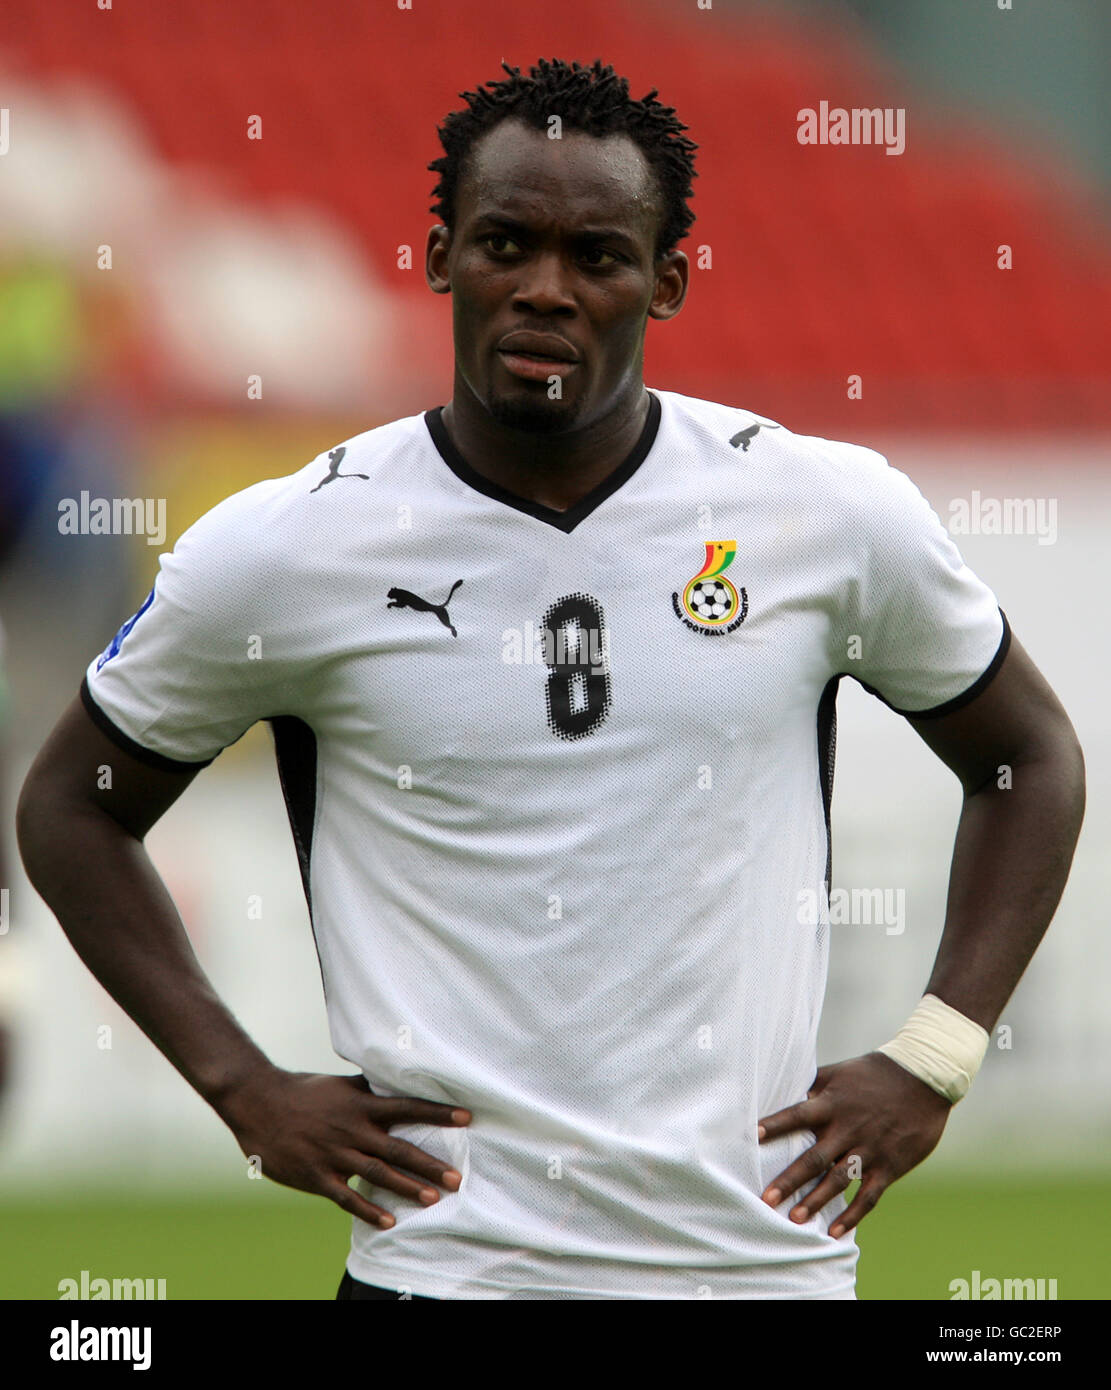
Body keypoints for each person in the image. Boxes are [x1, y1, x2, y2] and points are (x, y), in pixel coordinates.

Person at [17, 58, 1084, 1301]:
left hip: (755, 1270)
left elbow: (1031, 759)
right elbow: (72, 802)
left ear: (667, 281)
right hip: (451, 1270)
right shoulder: (293, 545)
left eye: (597, 256)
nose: (543, 290)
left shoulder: (820, 513)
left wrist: (937, 1052)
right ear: (437, 257)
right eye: (503, 243)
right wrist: (247, 1092)